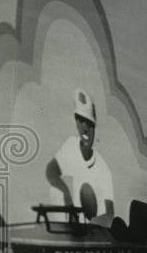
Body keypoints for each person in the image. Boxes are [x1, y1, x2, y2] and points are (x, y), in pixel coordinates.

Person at [46, 88, 115, 226]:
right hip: (70, 223)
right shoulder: (71, 146)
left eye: (89, 123)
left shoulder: (103, 169)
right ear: (76, 122)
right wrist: (66, 195)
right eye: (81, 121)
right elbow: (50, 171)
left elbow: (110, 214)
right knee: (55, 190)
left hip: (92, 230)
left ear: (94, 127)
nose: (85, 128)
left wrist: (93, 224)